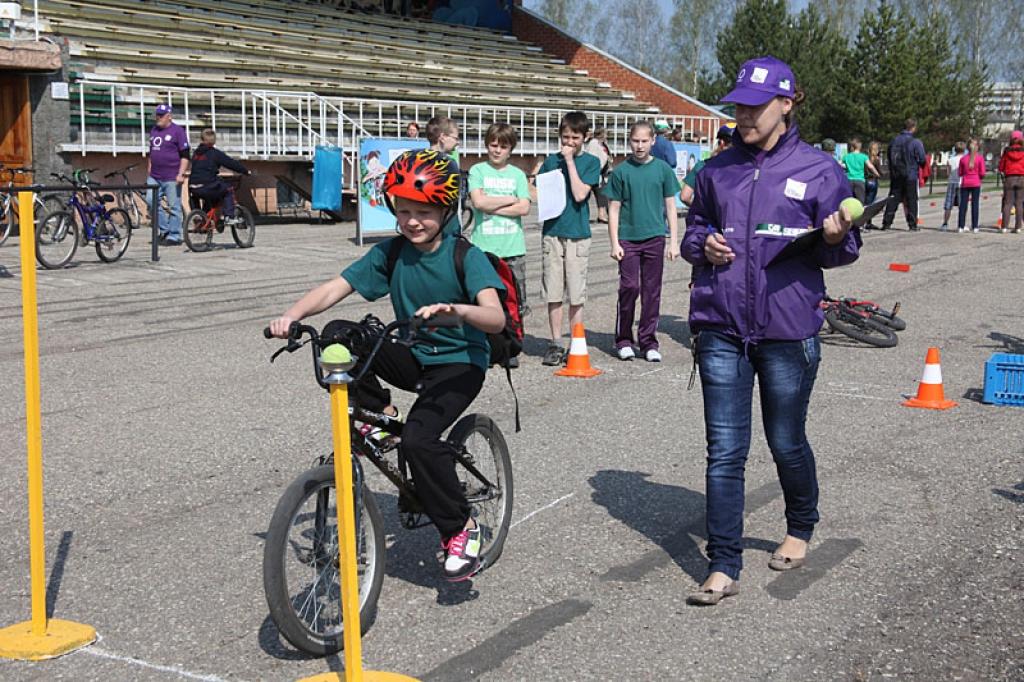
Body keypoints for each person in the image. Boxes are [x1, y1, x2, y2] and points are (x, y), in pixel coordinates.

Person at [268, 149, 505, 582]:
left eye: (424, 212)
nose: (413, 221)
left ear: (446, 210)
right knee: (339, 330)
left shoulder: (465, 256)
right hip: (413, 355)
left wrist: (460, 310)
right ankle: (382, 415)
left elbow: (496, 316)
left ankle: (459, 527)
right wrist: (292, 315)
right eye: (405, 211)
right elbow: (336, 288)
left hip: (459, 365)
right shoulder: (391, 253)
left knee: (418, 442)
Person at [681, 55, 860, 606]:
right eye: (738, 106)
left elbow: (846, 250)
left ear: (786, 103)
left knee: (785, 441)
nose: (744, 116)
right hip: (721, 327)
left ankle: (801, 525)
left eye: (755, 107)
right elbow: (692, 233)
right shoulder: (715, 170)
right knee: (724, 450)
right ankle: (724, 564)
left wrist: (833, 236)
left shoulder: (821, 170)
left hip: (787, 330)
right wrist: (702, 245)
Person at [603, 121, 680, 362]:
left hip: (655, 237)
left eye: (644, 141)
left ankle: (648, 341)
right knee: (629, 287)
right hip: (628, 239)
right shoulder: (621, 172)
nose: (639, 145)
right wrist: (614, 243)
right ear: (629, 141)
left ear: (653, 141)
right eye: (635, 141)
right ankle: (624, 339)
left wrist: (673, 241)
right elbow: (613, 210)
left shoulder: (663, 170)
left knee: (651, 291)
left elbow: (670, 206)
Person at [534, 111, 601, 366]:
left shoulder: (591, 162)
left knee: (575, 293)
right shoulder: (551, 161)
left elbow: (581, 193)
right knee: (553, 291)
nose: (569, 142)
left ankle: (576, 341)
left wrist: (570, 162)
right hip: (553, 232)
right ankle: (555, 342)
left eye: (574, 137)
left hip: (577, 235)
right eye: (565, 137)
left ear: (584, 137)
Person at [467, 122, 531, 327]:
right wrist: (511, 199)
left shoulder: (518, 175)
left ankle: (512, 346)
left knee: (516, 302)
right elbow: (478, 202)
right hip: (484, 248)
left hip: (513, 249)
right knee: (484, 303)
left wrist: (490, 205)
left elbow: (524, 208)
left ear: (510, 149)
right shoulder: (477, 170)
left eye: (503, 147)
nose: (497, 150)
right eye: (493, 145)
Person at [147, 103, 190, 246]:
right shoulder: (154, 130)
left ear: (169, 116)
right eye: (157, 115)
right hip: (155, 175)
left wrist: (181, 174)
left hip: (171, 175)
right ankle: (164, 229)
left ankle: (174, 235)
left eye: (161, 115)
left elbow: (185, 155)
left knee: (174, 206)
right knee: (150, 201)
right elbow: (151, 151)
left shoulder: (178, 131)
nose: (158, 118)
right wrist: (149, 167)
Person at [187, 129, 250, 222]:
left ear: (201, 139)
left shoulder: (195, 154)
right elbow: (230, 163)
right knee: (228, 189)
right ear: (214, 140)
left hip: (193, 187)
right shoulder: (215, 153)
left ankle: (200, 217)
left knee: (209, 195)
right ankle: (229, 216)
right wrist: (245, 171)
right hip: (208, 185)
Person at [880, 118, 926, 231]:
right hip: (910, 174)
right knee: (911, 200)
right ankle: (912, 224)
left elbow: (889, 157)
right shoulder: (916, 142)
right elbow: (922, 158)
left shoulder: (894, 141)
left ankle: (887, 222)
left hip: (896, 175)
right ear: (913, 128)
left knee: (893, 199)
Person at [680, 122, 736, 207]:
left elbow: (684, 196)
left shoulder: (702, 166)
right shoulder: (746, 168)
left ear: (721, 142)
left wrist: (700, 210)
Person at [426, 115, 462, 235]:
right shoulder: (444, 164)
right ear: (442, 137)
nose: (457, 142)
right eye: (455, 138)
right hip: (443, 222)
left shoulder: (419, 160)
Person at [998, 130, 1024, 234]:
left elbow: (1001, 165)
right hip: (1021, 177)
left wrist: (1002, 170)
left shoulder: (1006, 151)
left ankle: (1004, 226)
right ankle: (1018, 227)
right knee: (1019, 203)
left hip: (1009, 178)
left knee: (1007, 203)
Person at [958, 138, 986, 233]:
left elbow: (960, 173)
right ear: (977, 147)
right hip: (976, 183)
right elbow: (982, 173)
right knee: (975, 204)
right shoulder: (980, 158)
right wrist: (979, 177)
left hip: (965, 183)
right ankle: (975, 226)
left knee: (963, 205)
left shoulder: (963, 159)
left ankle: (961, 226)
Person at [584, 127, 611, 223]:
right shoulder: (594, 143)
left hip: (601, 173)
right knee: (590, 195)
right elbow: (592, 158)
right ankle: (599, 215)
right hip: (594, 173)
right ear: (601, 134)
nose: (607, 135)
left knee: (602, 194)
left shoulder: (603, 144)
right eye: (605, 133)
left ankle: (602, 215)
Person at [840, 138, 878, 204]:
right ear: (860, 147)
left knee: (849, 201)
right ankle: (861, 213)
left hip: (849, 180)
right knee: (860, 201)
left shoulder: (846, 156)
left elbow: (840, 164)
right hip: (860, 180)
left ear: (852, 147)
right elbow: (870, 166)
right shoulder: (863, 156)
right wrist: (877, 174)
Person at [940, 141, 966, 232]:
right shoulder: (965, 159)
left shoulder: (950, 160)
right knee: (961, 205)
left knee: (948, 204)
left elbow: (948, 173)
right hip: (961, 183)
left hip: (951, 182)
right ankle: (961, 225)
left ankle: (945, 224)